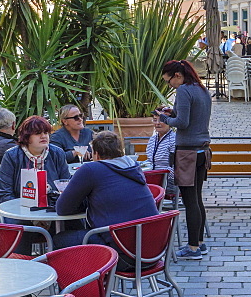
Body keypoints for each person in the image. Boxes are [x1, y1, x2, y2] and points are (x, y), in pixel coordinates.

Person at [53, 131, 158, 251]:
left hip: (121, 253)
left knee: (59, 239)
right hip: (152, 251)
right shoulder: (133, 166)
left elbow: (62, 208)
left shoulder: (91, 169)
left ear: (96, 154)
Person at [160, 59, 212, 261]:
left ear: (178, 76)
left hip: (187, 152)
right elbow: (190, 115)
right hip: (202, 151)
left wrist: (164, 119)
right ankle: (199, 242)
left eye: (169, 81)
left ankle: (192, 248)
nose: (170, 85)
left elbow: (182, 122)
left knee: (190, 201)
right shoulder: (200, 88)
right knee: (197, 198)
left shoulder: (183, 90)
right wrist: (171, 112)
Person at [0, 115, 69, 204]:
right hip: (19, 210)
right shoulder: (11, 156)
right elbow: (5, 193)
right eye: (38, 133)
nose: (43, 136)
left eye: (46, 132)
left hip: (52, 209)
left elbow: (66, 185)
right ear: (26, 137)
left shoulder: (57, 153)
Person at [145, 107, 177, 197]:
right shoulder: (153, 139)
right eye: (155, 120)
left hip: (168, 182)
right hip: (153, 179)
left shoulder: (174, 139)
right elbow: (150, 161)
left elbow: (174, 167)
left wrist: (157, 177)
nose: (157, 123)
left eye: (161, 120)